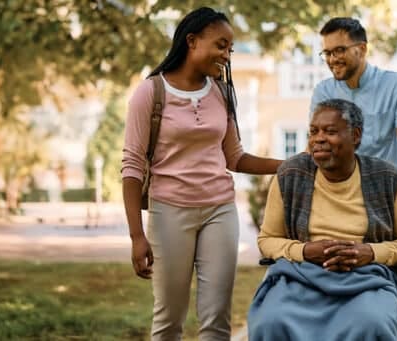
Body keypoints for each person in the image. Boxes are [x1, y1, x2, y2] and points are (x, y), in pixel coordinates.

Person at [120, 7, 281, 340]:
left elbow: (235, 158)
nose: (226, 55)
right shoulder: (151, 92)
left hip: (220, 211)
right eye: (220, 45)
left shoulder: (221, 93)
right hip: (169, 213)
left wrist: (289, 164)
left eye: (230, 49)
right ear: (192, 41)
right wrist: (137, 236)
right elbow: (132, 166)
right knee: (169, 318)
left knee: (216, 319)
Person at [248, 99, 397, 340]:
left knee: (372, 322)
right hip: (300, 276)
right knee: (270, 321)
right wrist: (305, 250)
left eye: (330, 131)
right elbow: (267, 239)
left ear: (355, 135)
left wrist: (370, 252)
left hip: (367, 279)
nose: (318, 139)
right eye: (314, 132)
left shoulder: (387, 178)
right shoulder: (290, 175)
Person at [310, 18, 397, 192]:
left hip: (382, 191)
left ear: (361, 49)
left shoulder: (396, 85)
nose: (332, 59)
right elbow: (316, 145)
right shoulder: (323, 91)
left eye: (339, 50)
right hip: (336, 192)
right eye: (327, 53)